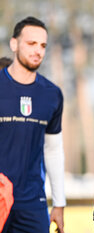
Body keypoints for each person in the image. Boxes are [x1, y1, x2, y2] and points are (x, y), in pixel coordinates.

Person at [0, 16, 66, 233]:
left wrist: (59, 202)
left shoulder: (52, 94)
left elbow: (53, 150)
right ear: (14, 44)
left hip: (33, 202)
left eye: (43, 45)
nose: (38, 50)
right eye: (31, 43)